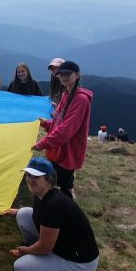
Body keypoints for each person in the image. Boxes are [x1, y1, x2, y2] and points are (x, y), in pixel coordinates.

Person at [2, 157, 99, 271]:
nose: (30, 179)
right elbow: (44, 216)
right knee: (23, 213)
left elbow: (45, 247)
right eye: (28, 175)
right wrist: (16, 211)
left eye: (36, 176)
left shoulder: (53, 205)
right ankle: (39, 255)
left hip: (80, 262)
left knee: (21, 268)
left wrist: (24, 251)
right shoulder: (43, 194)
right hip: (63, 247)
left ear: (48, 179)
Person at [32, 60, 92, 199]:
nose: (63, 77)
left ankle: (68, 216)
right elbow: (59, 121)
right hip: (57, 150)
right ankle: (55, 210)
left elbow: (67, 129)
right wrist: (46, 123)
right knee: (53, 184)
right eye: (61, 74)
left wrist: (42, 143)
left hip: (68, 151)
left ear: (77, 75)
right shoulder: (66, 94)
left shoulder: (81, 99)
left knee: (64, 188)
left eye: (67, 74)